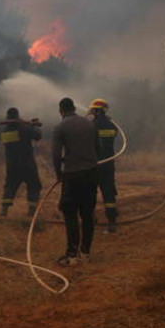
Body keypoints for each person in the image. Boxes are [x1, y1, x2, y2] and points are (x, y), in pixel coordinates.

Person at [52, 97, 99, 265]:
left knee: (70, 212)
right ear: (74, 108)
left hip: (72, 175)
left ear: (61, 111)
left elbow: (56, 155)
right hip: (91, 173)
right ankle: (85, 253)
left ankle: (72, 255)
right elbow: (97, 147)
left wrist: (59, 173)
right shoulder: (89, 124)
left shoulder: (60, 127)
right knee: (87, 213)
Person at [0, 107, 43, 217]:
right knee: (34, 185)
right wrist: (35, 126)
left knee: (10, 186)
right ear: (17, 116)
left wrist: (27, 125)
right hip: (27, 163)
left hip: (12, 165)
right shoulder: (24, 128)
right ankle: (31, 211)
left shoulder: (5, 131)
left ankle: (4, 210)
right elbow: (37, 136)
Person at [89, 98, 120, 233]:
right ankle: (112, 223)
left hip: (94, 165)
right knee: (108, 194)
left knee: (90, 193)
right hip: (108, 164)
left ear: (96, 111)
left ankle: (91, 219)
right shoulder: (112, 125)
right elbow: (115, 134)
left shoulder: (91, 125)